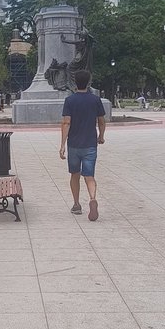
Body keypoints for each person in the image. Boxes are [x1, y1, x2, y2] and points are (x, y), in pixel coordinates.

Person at [59, 69, 106, 221]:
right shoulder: (95, 100)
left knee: (75, 174)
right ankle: (92, 198)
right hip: (90, 143)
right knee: (89, 175)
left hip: (74, 144)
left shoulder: (70, 101)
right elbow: (101, 120)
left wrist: (62, 144)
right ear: (88, 82)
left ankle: (77, 204)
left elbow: (66, 122)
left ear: (74, 83)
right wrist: (101, 136)